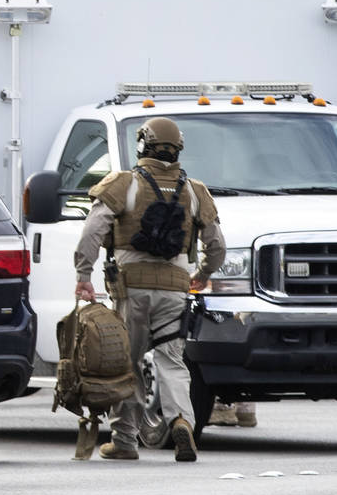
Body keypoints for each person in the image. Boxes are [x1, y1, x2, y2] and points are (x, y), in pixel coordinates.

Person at [74, 117, 225, 462]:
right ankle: (182, 421)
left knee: (127, 364)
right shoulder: (195, 190)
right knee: (171, 361)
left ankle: (125, 441)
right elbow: (217, 245)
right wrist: (202, 272)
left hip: (131, 291)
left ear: (142, 145)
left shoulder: (123, 183)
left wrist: (84, 273)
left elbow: (92, 231)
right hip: (175, 291)